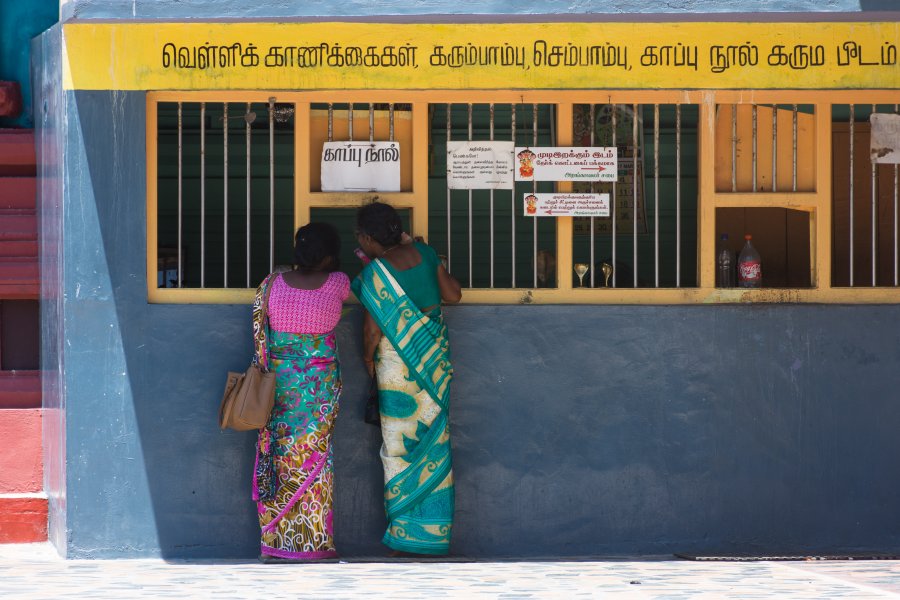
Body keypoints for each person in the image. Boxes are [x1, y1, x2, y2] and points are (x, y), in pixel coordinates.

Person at [351, 202, 462, 557]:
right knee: (436, 439)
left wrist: (367, 359)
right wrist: (432, 256)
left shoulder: (375, 274)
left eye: (360, 237)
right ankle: (435, 533)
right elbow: (453, 295)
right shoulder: (426, 253)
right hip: (435, 362)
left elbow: (371, 330)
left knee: (400, 447)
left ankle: (407, 533)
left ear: (367, 238)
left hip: (398, 369)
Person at [252, 222, 349, 562]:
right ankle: (314, 541)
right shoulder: (338, 282)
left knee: (278, 457)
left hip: (278, 389)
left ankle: (275, 541)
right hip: (319, 392)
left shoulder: (272, 284)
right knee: (317, 461)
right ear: (328, 256)